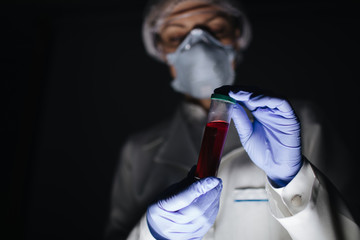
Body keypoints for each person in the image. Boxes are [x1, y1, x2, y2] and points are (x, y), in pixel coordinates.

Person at [105, 0, 360, 239]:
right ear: (162, 51)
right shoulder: (137, 152)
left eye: (215, 29)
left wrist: (294, 182)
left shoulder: (301, 124)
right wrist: (152, 233)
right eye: (176, 36)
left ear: (237, 37)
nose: (199, 47)